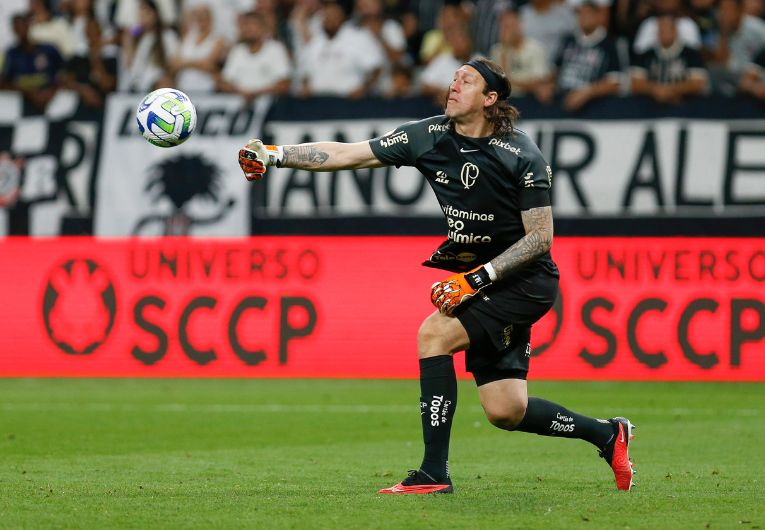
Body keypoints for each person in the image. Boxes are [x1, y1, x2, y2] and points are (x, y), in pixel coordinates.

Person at [237, 56, 636, 494]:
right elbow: (348, 153)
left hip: (525, 282)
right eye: (453, 79)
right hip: (481, 280)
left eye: (467, 81)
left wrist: (476, 279)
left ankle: (432, 474)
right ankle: (607, 434)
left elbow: (541, 237)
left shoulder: (522, 154)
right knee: (506, 409)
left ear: (489, 98)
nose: (453, 86)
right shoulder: (427, 135)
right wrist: (275, 155)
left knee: (434, 335)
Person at [630, 13, 708, 104]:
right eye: (661, 29)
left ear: (675, 31)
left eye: (667, 28)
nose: (663, 32)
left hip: (686, 107)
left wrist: (672, 91)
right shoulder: (646, 54)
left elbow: (698, 83)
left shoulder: (691, 54)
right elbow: (635, 84)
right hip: (650, 108)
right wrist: (655, 90)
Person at [218, 10, 291, 103]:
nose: (248, 29)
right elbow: (223, 83)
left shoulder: (275, 49)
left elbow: (284, 85)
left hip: (271, 108)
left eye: (253, 25)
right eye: (245, 25)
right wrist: (241, 92)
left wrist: (255, 94)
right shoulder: (237, 51)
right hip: (240, 108)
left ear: (263, 28)